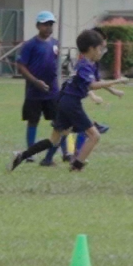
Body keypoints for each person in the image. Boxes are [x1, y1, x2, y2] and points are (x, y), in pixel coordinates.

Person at [9, 28, 125, 172]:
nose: (102, 52)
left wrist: (114, 90)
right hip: (71, 103)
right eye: (100, 49)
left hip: (64, 101)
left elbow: (97, 80)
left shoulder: (91, 64)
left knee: (54, 140)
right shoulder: (84, 66)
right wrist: (116, 81)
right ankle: (77, 165)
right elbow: (92, 85)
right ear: (91, 49)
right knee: (94, 135)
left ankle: (21, 156)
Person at [12, 11, 68, 166]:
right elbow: (21, 66)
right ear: (38, 25)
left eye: (50, 24)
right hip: (34, 92)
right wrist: (35, 81)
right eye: (45, 24)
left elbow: (57, 65)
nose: (48, 27)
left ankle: (65, 152)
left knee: (60, 123)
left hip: (52, 91)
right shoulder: (30, 45)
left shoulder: (55, 43)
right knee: (33, 121)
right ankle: (30, 152)